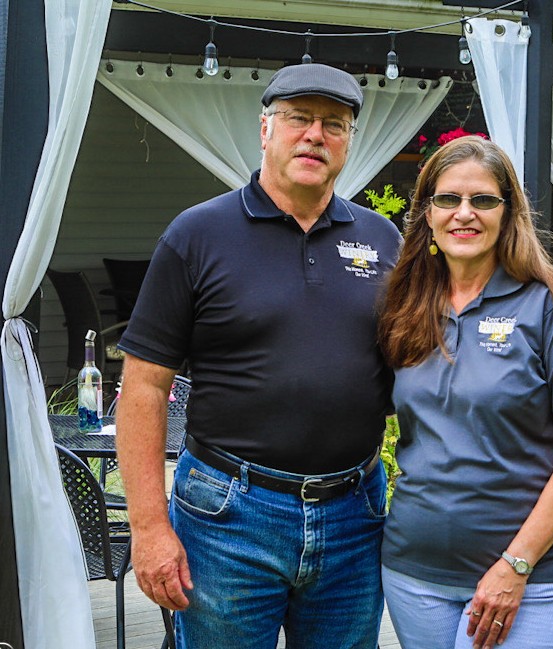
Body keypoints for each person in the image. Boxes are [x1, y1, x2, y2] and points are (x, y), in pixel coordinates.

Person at [114, 63, 402, 648]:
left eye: (335, 124)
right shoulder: (197, 235)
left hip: (353, 512)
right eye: (299, 119)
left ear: (349, 142)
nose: (315, 135)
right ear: (265, 130)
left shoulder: (382, 240)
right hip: (229, 516)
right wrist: (148, 527)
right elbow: (143, 387)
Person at [378, 136, 553, 649]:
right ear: (427, 214)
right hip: (416, 575)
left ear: (509, 213)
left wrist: (516, 564)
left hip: (538, 581)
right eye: (448, 199)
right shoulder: (406, 305)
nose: (465, 214)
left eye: (483, 200)